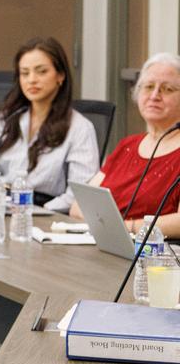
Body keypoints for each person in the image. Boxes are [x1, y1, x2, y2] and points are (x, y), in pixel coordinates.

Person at [0, 37, 99, 212]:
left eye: (41, 71)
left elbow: (79, 194)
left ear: (60, 76)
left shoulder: (80, 128)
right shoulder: (6, 119)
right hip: (0, 209)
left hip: (48, 214)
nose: (32, 80)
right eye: (25, 73)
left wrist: (36, 210)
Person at [71, 52, 180, 236]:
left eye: (167, 89)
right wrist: (114, 228)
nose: (154, 95)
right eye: (148, 87)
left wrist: (126, 227)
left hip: (152, 250)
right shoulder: (127, 146)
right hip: (105, 242)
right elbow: (79, 206)